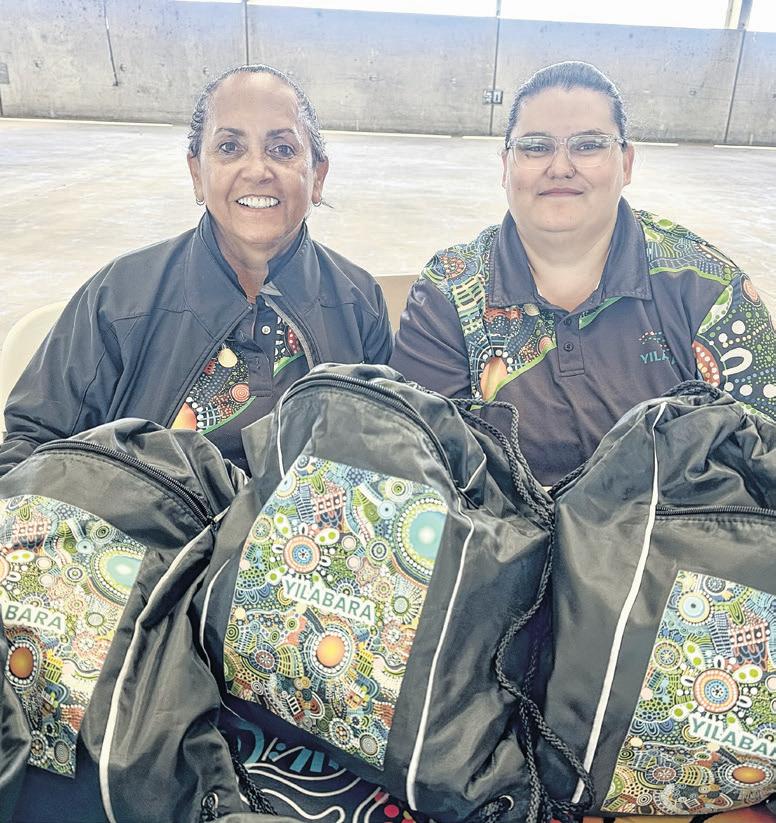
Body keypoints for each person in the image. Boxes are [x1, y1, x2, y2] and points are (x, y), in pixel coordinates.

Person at [390, 60, 776, 489]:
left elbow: (762, 468)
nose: (560, 167)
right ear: (506, 166)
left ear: (626, 164)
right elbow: (420, 473)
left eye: (588, 145)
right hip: (499, 530)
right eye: (535, 147)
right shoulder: (449, 289)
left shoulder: (711, 288)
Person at [0, 64, 392, 476]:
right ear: (197, 173)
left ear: (317, 176)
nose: (257, 170)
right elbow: (32, 445)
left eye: (281, 149)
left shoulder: (359, 302)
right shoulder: (119, 298)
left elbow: (391, 450)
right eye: (229, 147)